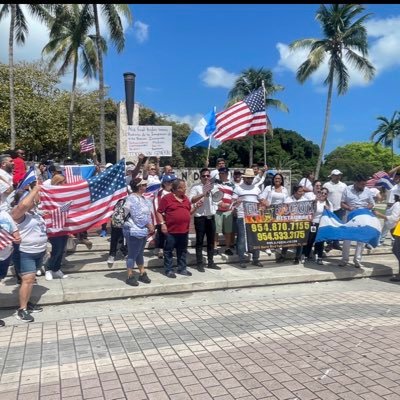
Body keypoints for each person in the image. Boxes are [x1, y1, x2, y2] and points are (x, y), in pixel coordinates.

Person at [11, 185, 46, 322]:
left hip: (38, 251)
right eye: (30, 199)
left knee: (30, 280)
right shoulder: (17, 213)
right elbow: (22, 205)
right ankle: (22, 309)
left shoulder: (35, 213)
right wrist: (35, 190)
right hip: (25, 252)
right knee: (28, 279)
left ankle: (26, 302)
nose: (34, 201)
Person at [157, 179, 198, 278]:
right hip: (171, 231)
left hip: (184, 230)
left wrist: (196, 207)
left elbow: (188, 213)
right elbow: (159, 212)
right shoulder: (167, 198)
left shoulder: (186, 199)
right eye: (183, 187)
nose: (185, 189)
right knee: (168, 251)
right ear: (177, 189)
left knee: (182, 250)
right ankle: (169, 270)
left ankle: (182, 268)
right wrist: (162, 224)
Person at [122, 178, 154, 286]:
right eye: (144, 184)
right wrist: (149, 224)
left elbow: (147, 214)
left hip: (142, 229)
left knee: (140, 253)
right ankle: (130, 275)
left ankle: (142, 272)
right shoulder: (131, 198)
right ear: (139, 186)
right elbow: (137, 215)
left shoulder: (144, 199)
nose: (146, 186)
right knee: (132, 253)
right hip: (133, 229)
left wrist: (150, 224)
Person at [339, 174, 375, 268]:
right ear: (356, 182)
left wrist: (365, 209)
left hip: (363, 216)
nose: (364, 186)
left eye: (365, 184)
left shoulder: (367, 191)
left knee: (361, 240)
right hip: (350, 215)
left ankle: (357, 260)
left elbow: (371, 204)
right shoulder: (347, 189)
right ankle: (344, 259)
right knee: (347, 239)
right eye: (362, 184)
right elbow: (342, 203)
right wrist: (349, 208)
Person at [189, 168, 220, 272]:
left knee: (211, 241)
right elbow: (192, 199)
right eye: (204, 176)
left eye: (208, 176)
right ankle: (199, 263)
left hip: (211, 216)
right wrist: (203, 193)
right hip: (200, 217)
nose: (206, 177)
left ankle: (210, 262)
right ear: (200, 177)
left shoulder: (214, 186)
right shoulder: (196, 187)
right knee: (199, 241)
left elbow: (218, 199)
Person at [232, 168, 263, 268]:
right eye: (248, 178)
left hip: (254, 217)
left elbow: (262, 201)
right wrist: (236, 203)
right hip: (242, 216)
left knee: (256, 238)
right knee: (241, 238)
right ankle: (241, 260)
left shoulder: (257, 188)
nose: (249, 179)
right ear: (244, 178)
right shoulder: (238, 188)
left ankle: (256, 259)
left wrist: (264, 205)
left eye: (251, 178)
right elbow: (232, 202)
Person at [45, 174, 69, 281]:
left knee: (62, 249)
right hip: (54, 226)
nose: (65, 183)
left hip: (64, 225)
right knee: (57, 249)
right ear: (58, 182)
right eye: (63, 181)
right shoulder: (50, 193)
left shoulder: (66, 193)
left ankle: (56, 269)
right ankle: (48, 269)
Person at [302, 187, 333, 265]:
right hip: (313, 223)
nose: (323, 194)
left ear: (327, 195)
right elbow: (308, 212)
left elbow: (331, 215)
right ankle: (305, 255)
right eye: (322, 192)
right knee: (310, 240)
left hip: (323, 225)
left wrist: (328, 209)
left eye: (325, 193)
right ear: (319, 193)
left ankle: (319, 257)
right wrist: (314, 203)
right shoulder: (315, 201)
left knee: (320, 241)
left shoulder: (329, 203)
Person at [323, 169, 347, 252]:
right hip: (329, 208)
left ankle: (336, 243)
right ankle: (329, 243)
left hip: (340, 208)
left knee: (338, 226)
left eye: (339, 175)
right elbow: (323, 196)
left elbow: (346, 196)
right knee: (330, 226)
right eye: (336, 175)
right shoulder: (327, 185)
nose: (338, 177)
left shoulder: (344, 185)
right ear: (332, 176)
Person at [153, 174, 177, 259]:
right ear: (164, 183)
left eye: (172, 182)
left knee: (173, 233)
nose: (170, 184)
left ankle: (173, 248)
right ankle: (160, 248)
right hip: (162, 216)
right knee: (161, 233)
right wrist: (160, 215)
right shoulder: (159, 193)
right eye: (168, 182)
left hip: (172, 217)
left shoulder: (175, 192)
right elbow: (156, 204)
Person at [214, 167, 235, 255]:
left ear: (227, 174)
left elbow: (234, 196)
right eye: (220, 173)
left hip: (228, 211)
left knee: (228, 231)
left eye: (222, 173)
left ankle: (227, 248)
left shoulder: (232, 184)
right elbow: (214, 195)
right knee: (216, 230)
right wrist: (220, 203)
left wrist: (232, 206)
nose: (221, 175)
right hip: (217, 210)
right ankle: (215, 247)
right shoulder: (215, 183)